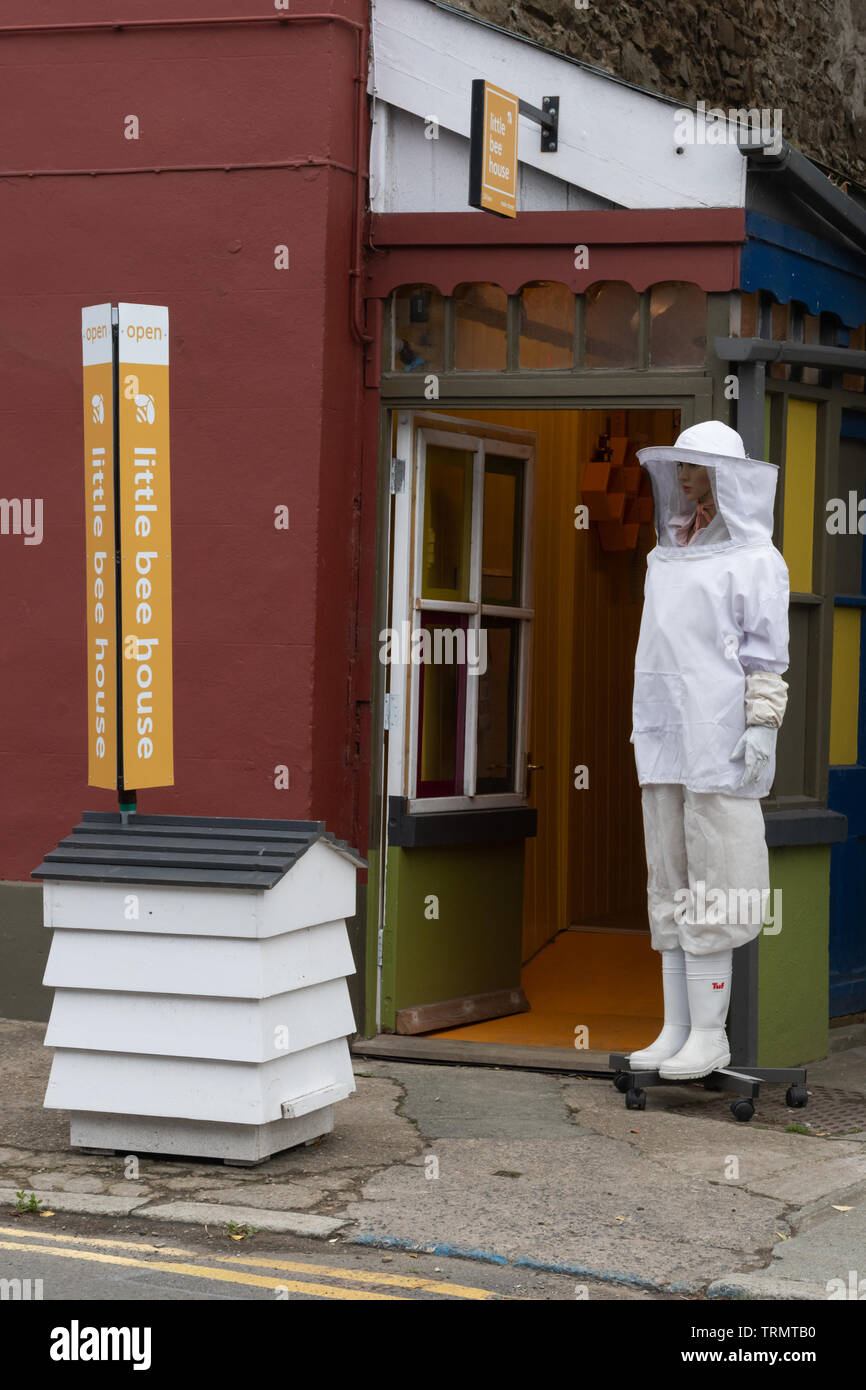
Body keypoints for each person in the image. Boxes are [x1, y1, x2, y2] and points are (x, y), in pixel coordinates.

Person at [628, 420, 790, 1079]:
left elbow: (765, 656)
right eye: (681, 467)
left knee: (715, 880)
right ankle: (675, 1029)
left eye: (696, 467)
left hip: (720, 736)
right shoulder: (665, 555)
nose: (684, 477)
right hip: (663, 732)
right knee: (669, 877)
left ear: (726, 479)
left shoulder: (757, 560)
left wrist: (762, 722)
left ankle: (711, 1037)